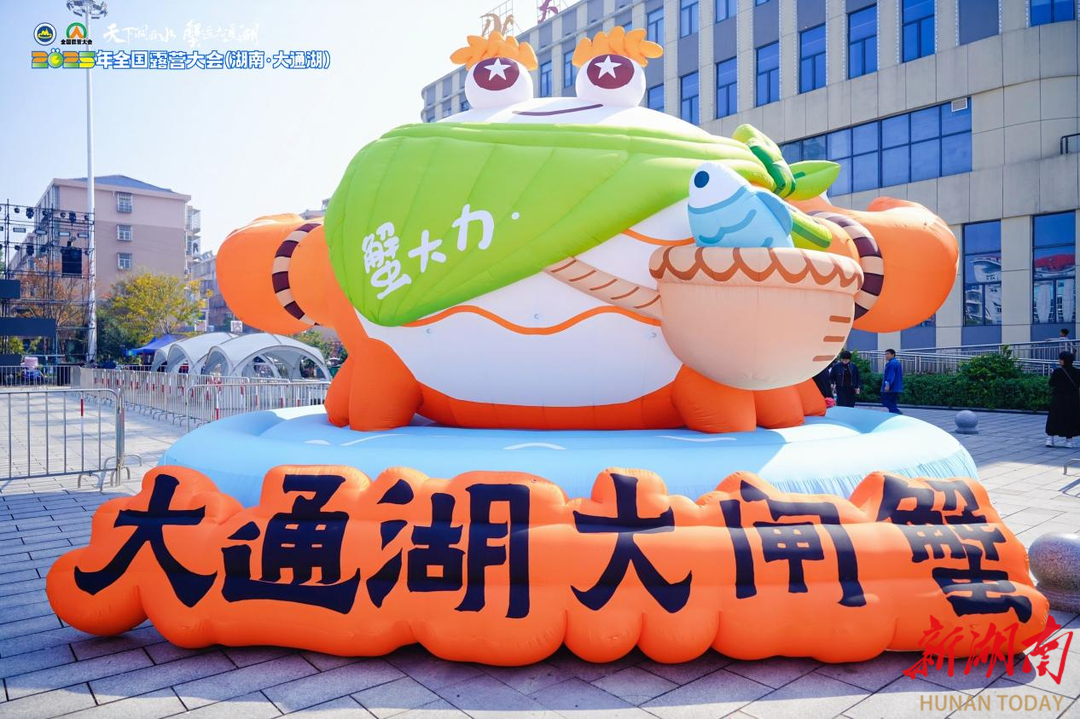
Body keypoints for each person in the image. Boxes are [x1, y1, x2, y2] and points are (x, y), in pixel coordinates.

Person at [1046, 351, 1080, 448]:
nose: (1059, 361)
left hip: (1059, 399)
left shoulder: (1057, 371)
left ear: (1063, 361)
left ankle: (1050, 439)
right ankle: (1069, 442)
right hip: (1073, 399)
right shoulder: (1078, 372)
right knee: (1070, 418)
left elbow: (1051, 383)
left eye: (1060, 359)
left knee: (1054, 418)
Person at [881, 349, 904, 414]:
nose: (886, 356)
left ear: (893, 354)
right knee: (892, 402)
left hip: (891, 388)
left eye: (888, 354)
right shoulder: (897, 362)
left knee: (887, 402)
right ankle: (895, 413)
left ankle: (896, 413)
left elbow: (891, 375)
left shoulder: (891, 363)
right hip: (896, 387)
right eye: (885, 354)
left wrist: (887, 385)